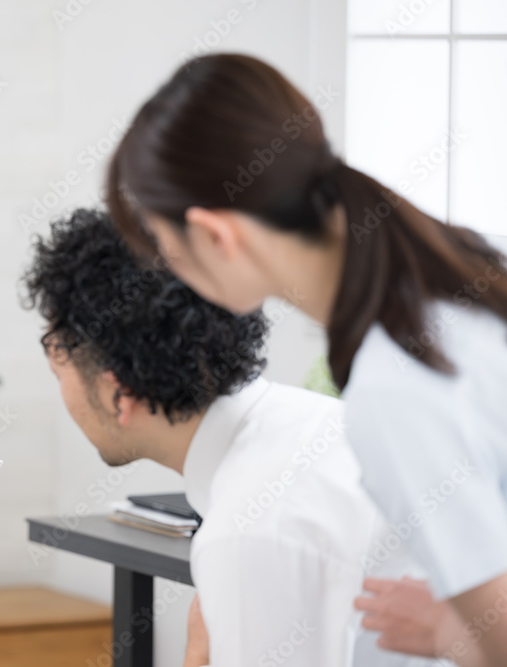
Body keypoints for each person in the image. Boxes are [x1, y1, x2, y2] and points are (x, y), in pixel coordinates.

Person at [106, 52, 507, 666]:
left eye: (163, 246)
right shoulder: (460, 276)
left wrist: (453, 635)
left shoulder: (394, 387)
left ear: (215, 235)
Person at [23, 208, 394, 666]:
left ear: (119, 396)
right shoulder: (326, 422)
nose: (61, 392)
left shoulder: (244, 536)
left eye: (58, 372)